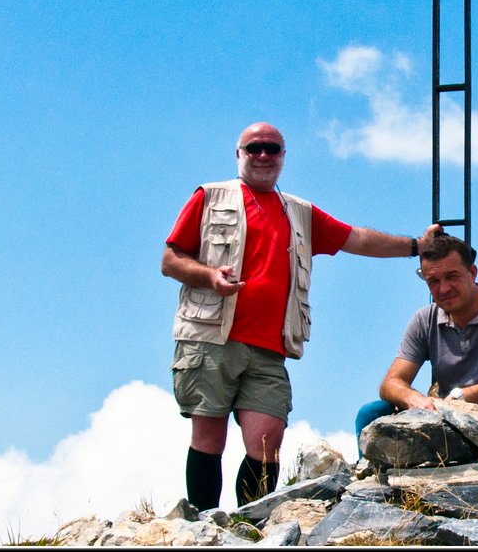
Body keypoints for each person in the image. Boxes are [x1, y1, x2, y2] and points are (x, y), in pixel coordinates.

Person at [161, 121, 440, 512]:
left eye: (272, 148)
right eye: (254, 147)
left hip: (270, 348)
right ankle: (205, 524)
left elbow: (356, 239)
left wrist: (416, 246)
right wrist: (209, 276)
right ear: (238, 154)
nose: (263, 155)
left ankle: (249, 523)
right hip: (210, 337)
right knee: (209, 436)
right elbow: (170, 259)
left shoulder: (299, 213)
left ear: (283, 156)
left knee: (267, 441)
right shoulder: (210, 196)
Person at [355, 232, 478, 446]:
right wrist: (415, 400)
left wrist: (460, 396)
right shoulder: (424, 320)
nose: (443, 289)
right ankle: (373, 469)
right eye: (433, 281)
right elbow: (390, 383)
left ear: (472, 273)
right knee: (371, 412)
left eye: (452, 276)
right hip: (450, 421)